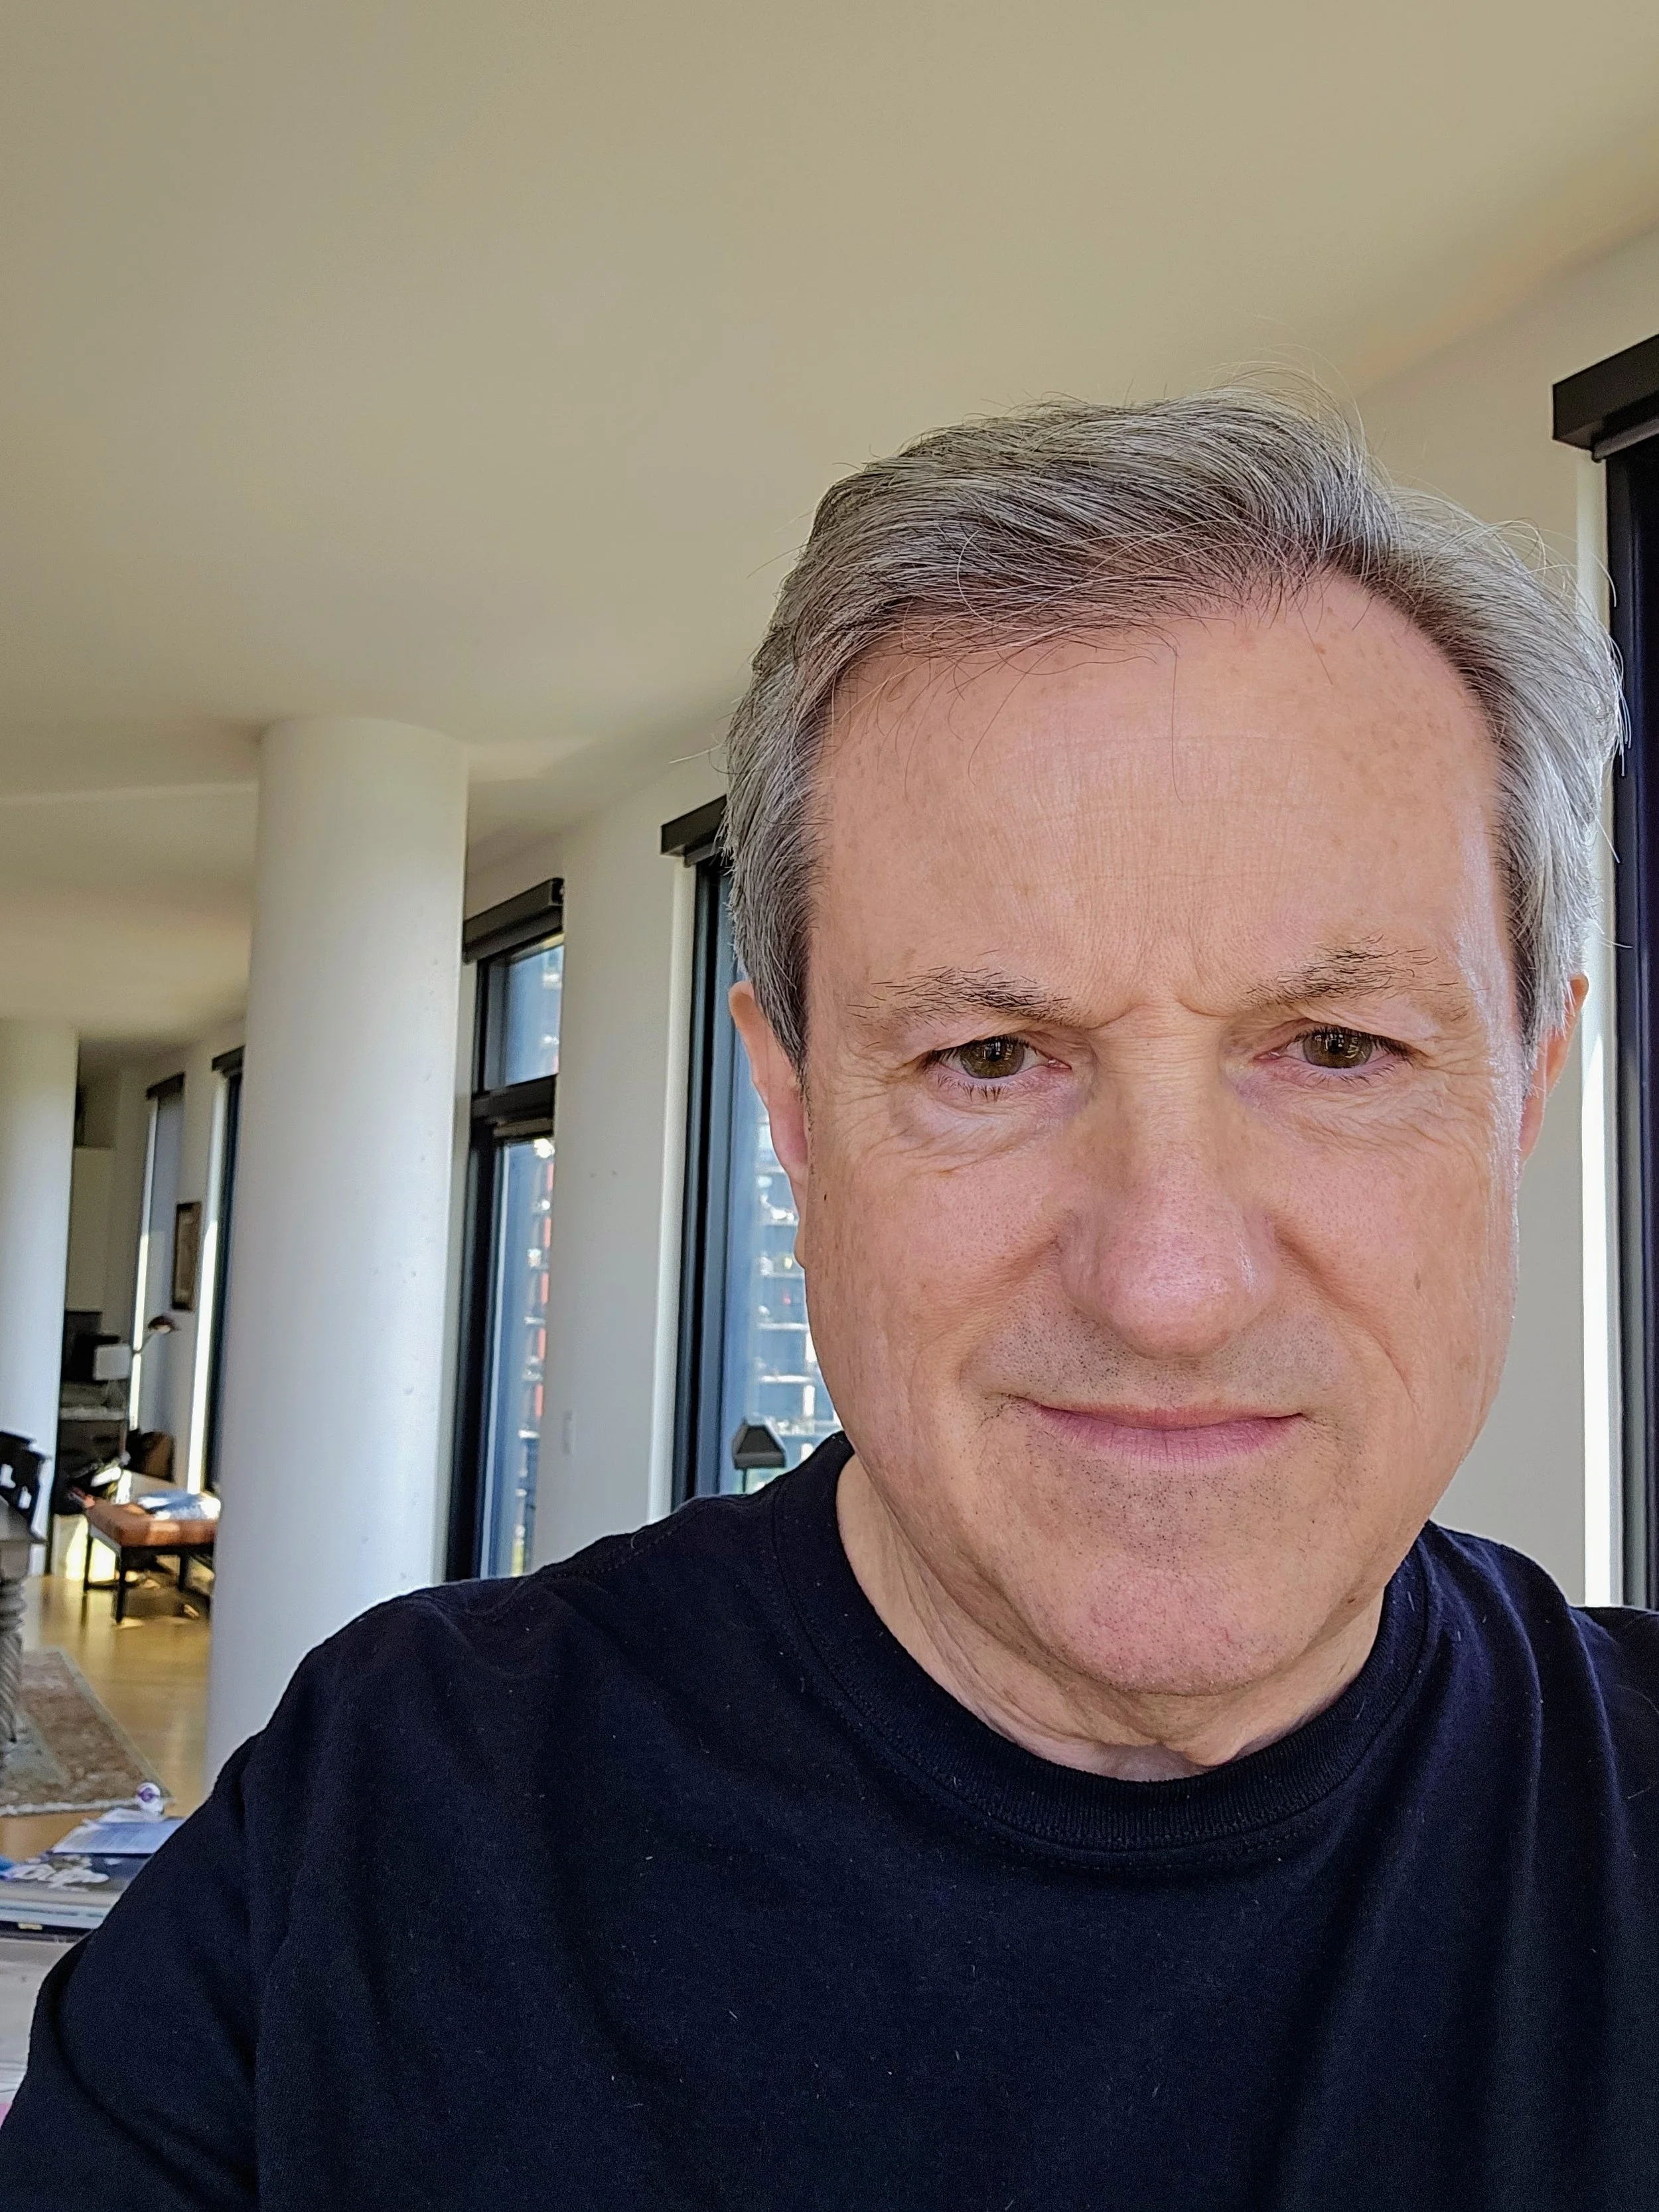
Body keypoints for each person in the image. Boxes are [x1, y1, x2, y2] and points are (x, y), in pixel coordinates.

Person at [0, 390, 1648, 2210]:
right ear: (790, 1114)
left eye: (1337, 1044)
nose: (1167, 1282)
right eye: (989, 1053)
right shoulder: (385, 1833)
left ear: (1523, 1090)